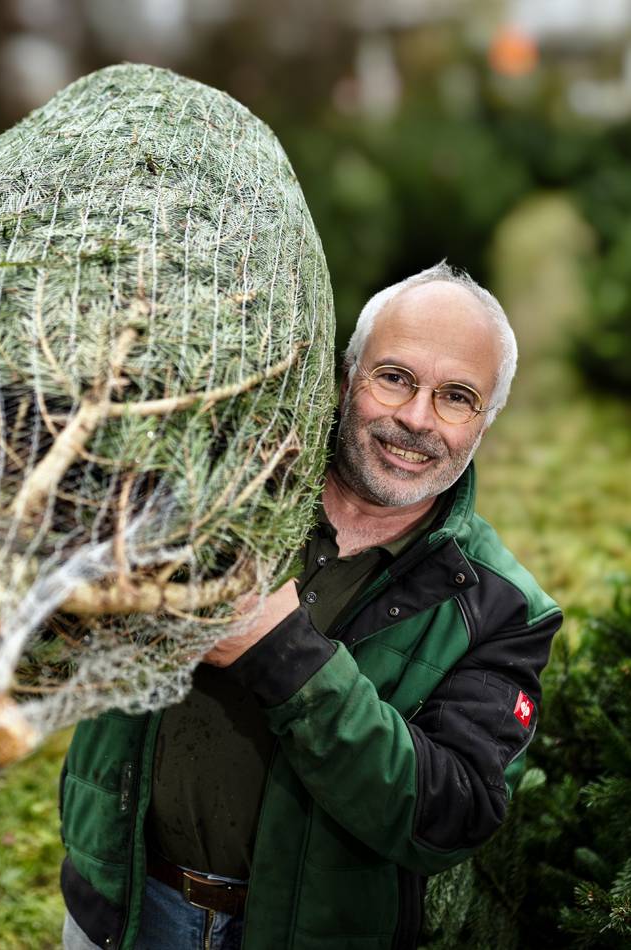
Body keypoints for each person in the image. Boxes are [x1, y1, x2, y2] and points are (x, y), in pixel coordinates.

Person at [58, 263, 562, 950]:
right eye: (395, 378)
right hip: (123, 906)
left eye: (456, 396)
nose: (416, 418)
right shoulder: (226, 479)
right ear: (350, 371)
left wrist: (280, 652)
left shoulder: (503, 608)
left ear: (485, 420)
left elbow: (452, 813)